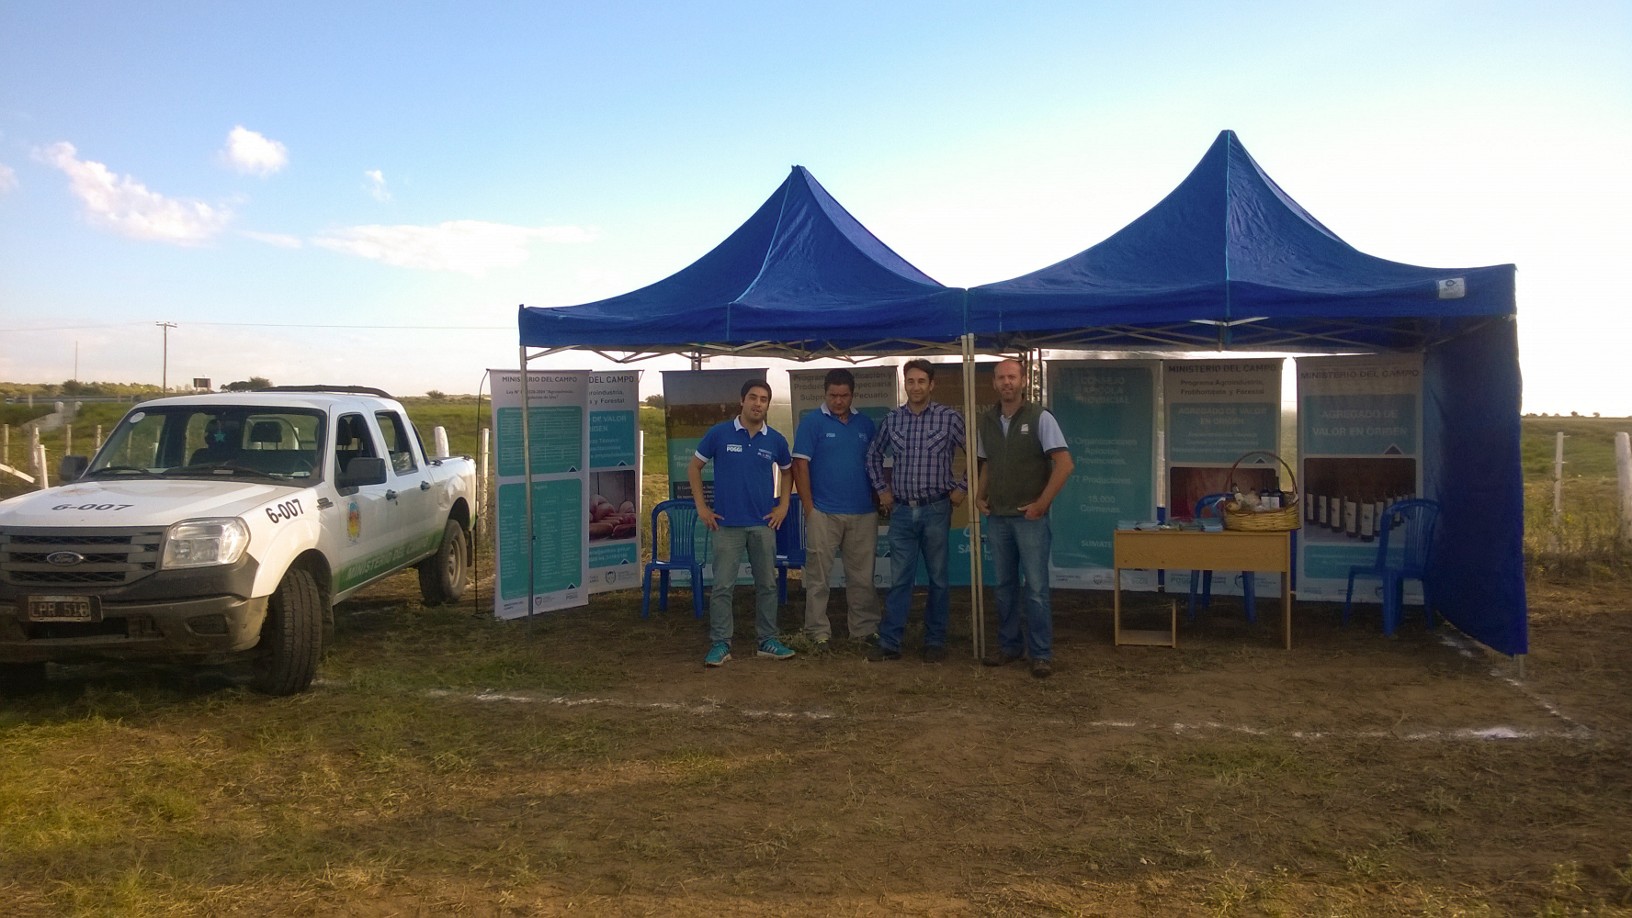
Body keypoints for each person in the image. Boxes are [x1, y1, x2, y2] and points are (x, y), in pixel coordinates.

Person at [688, 378, 798, 667]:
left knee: (767, 586)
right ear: (742, 400)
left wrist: (783, 505)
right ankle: (721, 644)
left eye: (763, 399)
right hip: (727, 526)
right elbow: (694, 467)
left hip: (763, 525)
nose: (758, 404)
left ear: (767, 405)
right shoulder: (720, 433)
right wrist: (702, 507)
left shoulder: (775, 439)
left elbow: (788, 473)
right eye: (753, 397)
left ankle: (767, 641)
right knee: (723, 587)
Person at [976, 358, 1075, 679]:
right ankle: (1009, 647)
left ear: (1023, 381)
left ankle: (1041, 654)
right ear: (994, 383)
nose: (1006, 382)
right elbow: (987, 463)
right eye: (1001, 377)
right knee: (1004, 587)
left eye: (1012, 377)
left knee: (1034, 588)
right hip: (998, 518)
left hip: (1030, 519)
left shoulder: (1040, 417)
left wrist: (1042, 504)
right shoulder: (987, 420)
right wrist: (979, 495)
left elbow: (1064, 464)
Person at [865, 359, 966, 663]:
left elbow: (977, 453)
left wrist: (963, 487)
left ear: (931, 385)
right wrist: (882, 490)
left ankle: (934, 641)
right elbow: (872, 455)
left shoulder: (949, 418)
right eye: (910, 381)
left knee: (938, 579)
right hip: (902, 512)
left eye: (922, 381)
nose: (916, 386)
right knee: (900, 580)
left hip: (936, 508)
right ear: (904, 384)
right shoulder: (893, 420)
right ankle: (891, 642)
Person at [792, 368, 880, 652]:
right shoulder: (812, 423)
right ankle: (818, 631)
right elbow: (800, 465)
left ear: (852, 395)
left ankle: (863, 631)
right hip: (823, 513)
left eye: (843, 396)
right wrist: (809, 508)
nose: (838, 401)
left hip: (863, 512)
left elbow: (878, 465)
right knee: (818, 577)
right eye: (833, 395)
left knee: (862, 577)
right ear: (825, 393)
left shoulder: (866, 425)